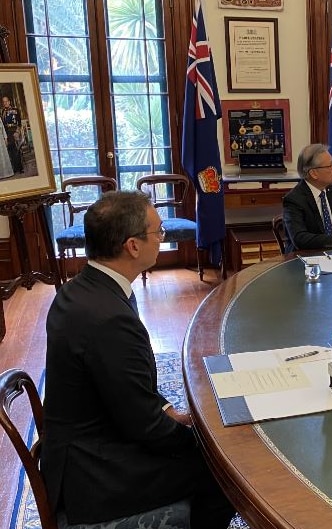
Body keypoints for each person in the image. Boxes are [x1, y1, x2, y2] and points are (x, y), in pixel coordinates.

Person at [41, 191, 235, 529]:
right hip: (94, 473)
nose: (162, 239)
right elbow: (145, 427)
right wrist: (205, 443)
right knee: (222, 471)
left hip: (81, 446)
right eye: (158, 233)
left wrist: (165, 410)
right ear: (133, 246)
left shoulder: (82, 288)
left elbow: (123, 389)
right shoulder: (108, 318)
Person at [1, 95, 23, 174]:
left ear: (9, 102)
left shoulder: (15, 110)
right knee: (10, 150)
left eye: (6, 101)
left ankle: (20, 168)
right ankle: (14, 168)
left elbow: (19, 123)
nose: (5, 103)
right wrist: (4, 136)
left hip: (14, 131)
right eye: (4, 102)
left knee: (16, 149)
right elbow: (3, 124)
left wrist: (17, 132)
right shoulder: (3, 112)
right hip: (7, 132)